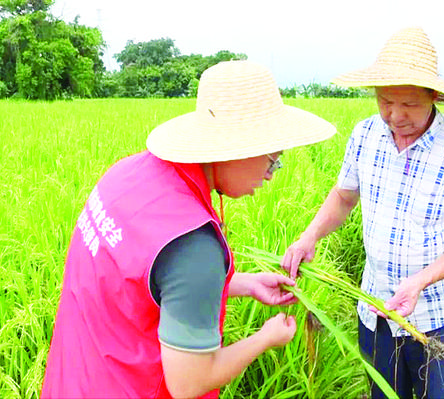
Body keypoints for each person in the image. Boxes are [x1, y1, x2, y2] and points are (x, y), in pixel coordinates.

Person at [42, 60, 336, 398]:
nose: (271, 174)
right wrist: (265, 338)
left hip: (74, 380)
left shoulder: (127, 175)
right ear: (235, 149)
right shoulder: (194, 244)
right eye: (273, 160)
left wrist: (244, 284)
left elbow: (144, 284)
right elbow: (189, 382)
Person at [281, 26, 444, 399]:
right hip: (375, 308)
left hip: (438, 315)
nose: (395, 115)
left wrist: (420, 282)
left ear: (434, 96)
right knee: (382, 393)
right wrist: (309, 236)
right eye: (384, 101)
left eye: (409, 104)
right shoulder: (364, 134)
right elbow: (343, 197)